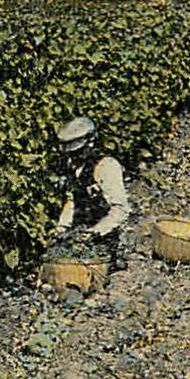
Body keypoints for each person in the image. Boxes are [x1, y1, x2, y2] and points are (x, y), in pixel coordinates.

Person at [52, 115, 132, 269]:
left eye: (77, 151)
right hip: (80, 234)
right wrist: (61, 229)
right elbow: (72, 201)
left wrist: (96, 232)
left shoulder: (106, 166)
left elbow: (120, 209)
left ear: (90, 144)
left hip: (103, 236)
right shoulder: (73, 166)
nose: (72, 156)